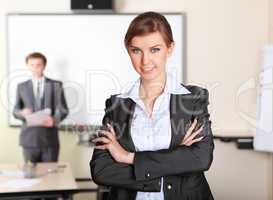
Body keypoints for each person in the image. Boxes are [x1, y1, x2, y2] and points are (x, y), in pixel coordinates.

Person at [90, 11, 214, 200]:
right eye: (136, 50)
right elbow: (102, 170)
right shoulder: (116, 105)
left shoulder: (193, 99)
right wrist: (175, 158)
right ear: (128, 50)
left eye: (155, 49)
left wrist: (128, 158)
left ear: (170, 49)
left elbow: (201, 158)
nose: (145, 61)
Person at [13, 52, 69, 163]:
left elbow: (63, 109)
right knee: (30, 176)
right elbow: (15, 111)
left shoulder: (56, 85)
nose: (35, 68)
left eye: (38, 65)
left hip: (49, 139)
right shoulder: (21, 86)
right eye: (32, 65)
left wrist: (54, 120)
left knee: (50, 176)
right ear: (28, 66)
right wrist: (22, 112)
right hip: (29, 139)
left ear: (44, 66)